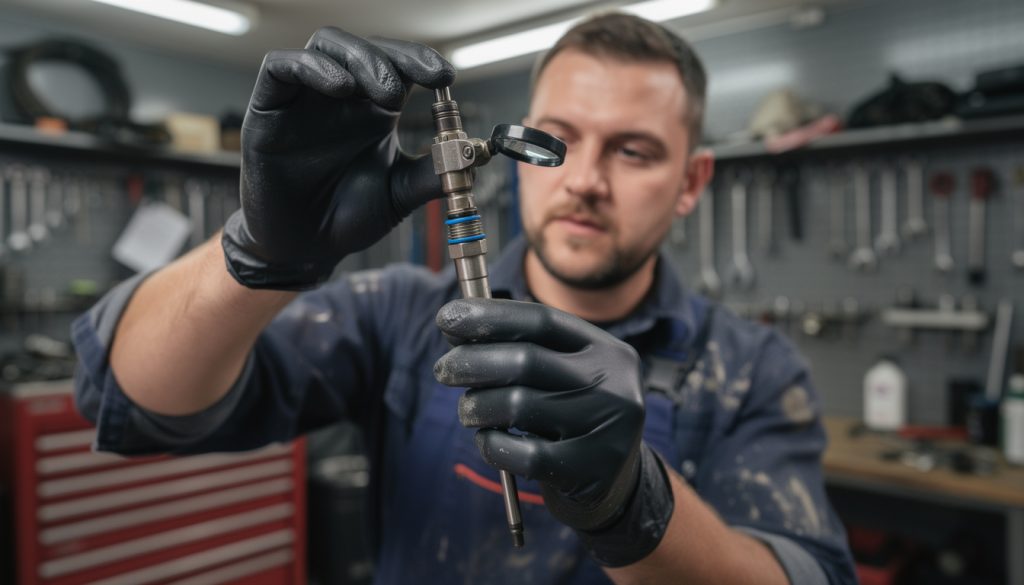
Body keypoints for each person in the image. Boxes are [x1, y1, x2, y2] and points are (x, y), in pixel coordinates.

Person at [72, 12, 857, 585]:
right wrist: (261, 252)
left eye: (634, 150)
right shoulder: (401, 314)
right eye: (559, 137)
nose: (584, 178)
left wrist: (634, 501)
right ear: (518, 150)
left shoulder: (752, 368)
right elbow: (134, 396)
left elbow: (806, 575)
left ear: (691, 182)